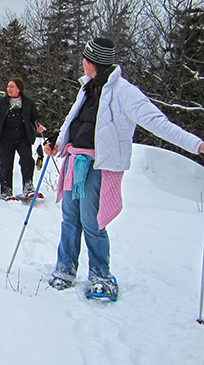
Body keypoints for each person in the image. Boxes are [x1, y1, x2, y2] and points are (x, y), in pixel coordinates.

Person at [45, 38, 204, 300]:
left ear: (92, 62)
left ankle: (100, 276)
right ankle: (65, 269)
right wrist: (58, 143)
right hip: (74, 160)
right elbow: (71, 122)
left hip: (99, 165)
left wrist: (196, 144)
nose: (82, 62)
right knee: (70, 218)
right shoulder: (86, 89)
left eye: (85, 58)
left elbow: (158, 123)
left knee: (92, 222)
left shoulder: (123, 91)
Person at [0, 78, 45, 198]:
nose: (9, 89)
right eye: (8, 87)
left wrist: (39, 124)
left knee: (27, 161)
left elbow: (36, 116)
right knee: (6, 165)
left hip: (23, 137)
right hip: (5, 138)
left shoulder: (27, 102)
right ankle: (6, 191)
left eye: (12, 87)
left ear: (19, 88)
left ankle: (28, 187)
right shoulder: (1, 102)